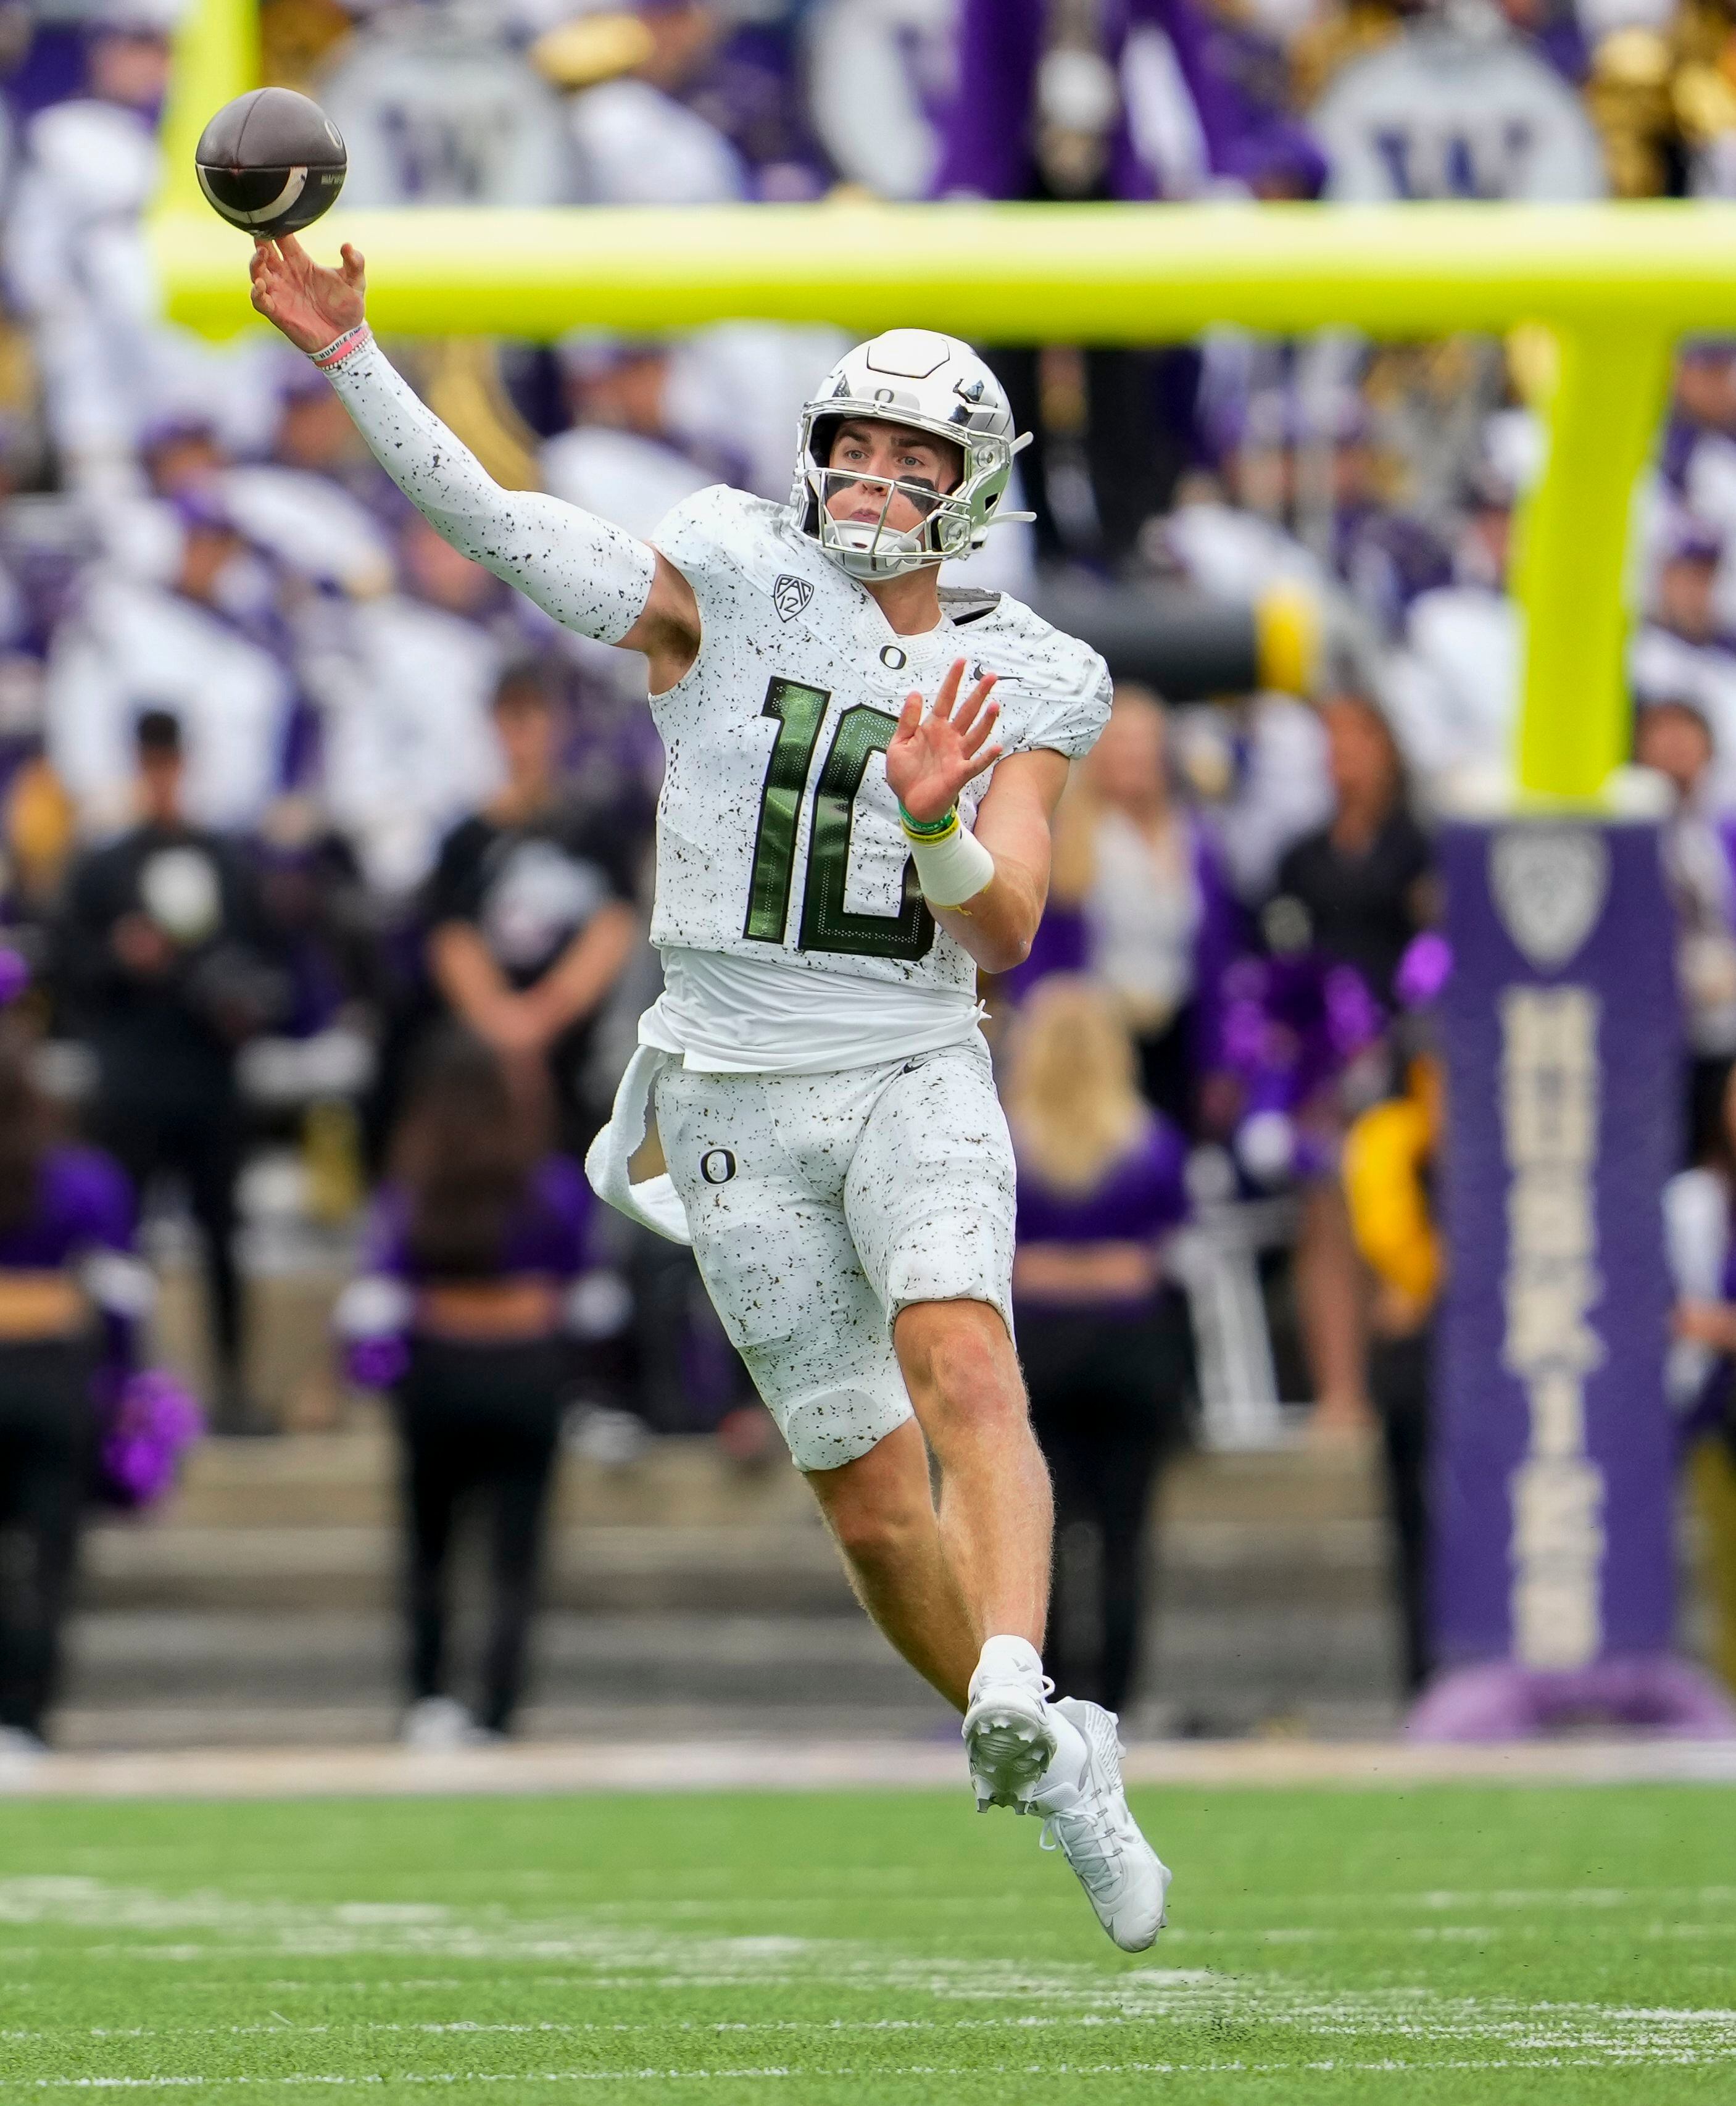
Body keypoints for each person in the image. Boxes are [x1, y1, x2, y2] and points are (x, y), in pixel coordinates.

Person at [249, 232, 1168, 1950]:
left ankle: (1025, 1681)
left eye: (916, 457)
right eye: (857, 444)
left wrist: (927, 817)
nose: (876, 479)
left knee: (961, 1352)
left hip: (903, 1051)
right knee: (874, 1504)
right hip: (733, 1077)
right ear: (814, 450)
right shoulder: (733, 567)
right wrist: (355, 361)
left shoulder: (1029, 666)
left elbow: (1012, 926)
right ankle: (1048, 1755)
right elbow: (518, 538)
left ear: (973, 488)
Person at [338, 1032, 591, 1746]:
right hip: (526, 1374)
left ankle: (428, 1699)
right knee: (515, 1554)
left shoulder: (410, 1192)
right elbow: (586, 1293)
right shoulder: (552, 1190)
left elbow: (379, 1292)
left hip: (437, 1376)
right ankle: (497, 1708)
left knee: (429, 1548)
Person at [56, 710, 283, 1434]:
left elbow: (265, 965)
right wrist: (123, 957)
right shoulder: (103, 866)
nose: (161, 778)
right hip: (129, 1084)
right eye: (150, 763)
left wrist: (236, 998)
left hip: (208, 1083)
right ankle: (114, 1389)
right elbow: (68, 976)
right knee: (120, 1245)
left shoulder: (226, 860)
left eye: (170, 763)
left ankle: (232, 1391)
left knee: (223, 1237)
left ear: (185, 765)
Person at [1003, 978, 1191, 1719]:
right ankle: (1114, 1697)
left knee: (1032, 1529)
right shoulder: (1149, 1145)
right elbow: (1169, 1255)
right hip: (1128, 1349)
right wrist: (1110, 1268)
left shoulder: (1005, 1140)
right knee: (1123, 1533)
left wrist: (1045, 1269)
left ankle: (1037, 1690)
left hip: (1036, 1350)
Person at [0, 1009, 151, 1755]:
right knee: (49, 1557)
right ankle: (27, 1715)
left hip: (42, 1369)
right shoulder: (85, 1178)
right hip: (55, 1376)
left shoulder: (82, 1175)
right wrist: (123, 1382)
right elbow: (122, 1300)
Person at [421, 662, 644, 1157]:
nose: (524, 730)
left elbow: (615, 928)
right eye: (511, 714)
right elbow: (450, 939)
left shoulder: (596, 831)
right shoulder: (464, 842)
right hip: (485, 1054)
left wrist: (541, 1018)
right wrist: (506, 1026)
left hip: (579, 1049)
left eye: (536, 713)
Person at [1028, 685, 1240, 1136]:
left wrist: (1220, 1058)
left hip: (1177, 1033)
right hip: (1097, 1041)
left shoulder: (1194, 837)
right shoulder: (1069, 838)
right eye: (1122, 743)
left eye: (1144, 743)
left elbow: (1217, 954)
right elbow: (1039, 960)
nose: (1134, 757)